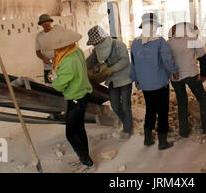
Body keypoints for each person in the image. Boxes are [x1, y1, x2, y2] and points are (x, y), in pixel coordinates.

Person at [40, 25, 94, 172]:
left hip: (76, 96)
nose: (55, 51)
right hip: (82, 94)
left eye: (57, 47)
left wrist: (53, 79)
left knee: (70, 133)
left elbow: (59, 85)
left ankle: (87, 162)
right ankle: (85, 159)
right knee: (79, 128)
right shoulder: (77, 51)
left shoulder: (68, 61)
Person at [130, 13, 179, 150]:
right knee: (162, 111)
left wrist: (136, 79)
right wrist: (174, 72)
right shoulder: (160, 41)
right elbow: (167, 60)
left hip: (145, 85)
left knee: (150, 110)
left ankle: (147, 138)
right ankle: (162, 142)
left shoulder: (135, 42)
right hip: (159, 83)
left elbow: (133, 63)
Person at [167, 22, 206, 137]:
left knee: (182, 102)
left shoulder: (168, 43)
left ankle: (183, 132)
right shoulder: (193, 40)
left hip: (175, 77)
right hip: (191, 74)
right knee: (202, 98)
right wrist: (203, 74)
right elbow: (203, 58)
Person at [86, 25, 133, 140]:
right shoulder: (97, 51)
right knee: (115, 105)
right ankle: (127, 121)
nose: (97, 45)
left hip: (125, 78)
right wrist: (91, 69)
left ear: (103, 38)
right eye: (95, 44)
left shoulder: (118, 45)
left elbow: (125, 60)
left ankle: (128, 128)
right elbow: (88, 63)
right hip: (112, 79)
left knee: (126, 105)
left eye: (98, 42)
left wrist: (112, 69)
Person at [35, 14, 54, 83]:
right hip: (48, 67)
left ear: (51, 22)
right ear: (41, 24)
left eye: (47, 21)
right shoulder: (39, 36)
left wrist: (58, 56)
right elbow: (38, 51)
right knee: (50, 86)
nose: (46, 23)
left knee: (63, 85)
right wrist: (44, 58)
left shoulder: (57, 32)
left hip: (60, 65)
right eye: (43, 22)